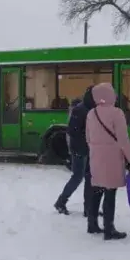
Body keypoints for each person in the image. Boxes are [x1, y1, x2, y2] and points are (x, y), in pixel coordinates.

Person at [86, 83, 130, 240]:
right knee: (110, 192)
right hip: (112, 158)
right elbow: (123, 139)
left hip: (95, 157)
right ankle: (109, 228)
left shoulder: (91, 113)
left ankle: (92, 224)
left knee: (96, 190)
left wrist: (96, 148)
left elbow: (87, 137)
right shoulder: (117, 113)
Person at [54, 88, 96, 216]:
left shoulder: (91, 109)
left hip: (89, 149)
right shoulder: (80, 110)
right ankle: (61, 202)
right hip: (79, 149)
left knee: (90, 178)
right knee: (78, 177)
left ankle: (88, 208)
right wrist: (87, 137)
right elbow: (73, 131)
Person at [65, 98, 82, 170]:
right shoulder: (77, 111)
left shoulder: (71, 111)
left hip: (70, 134)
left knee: (72, 150)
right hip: (75, 135)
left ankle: (72, 164)